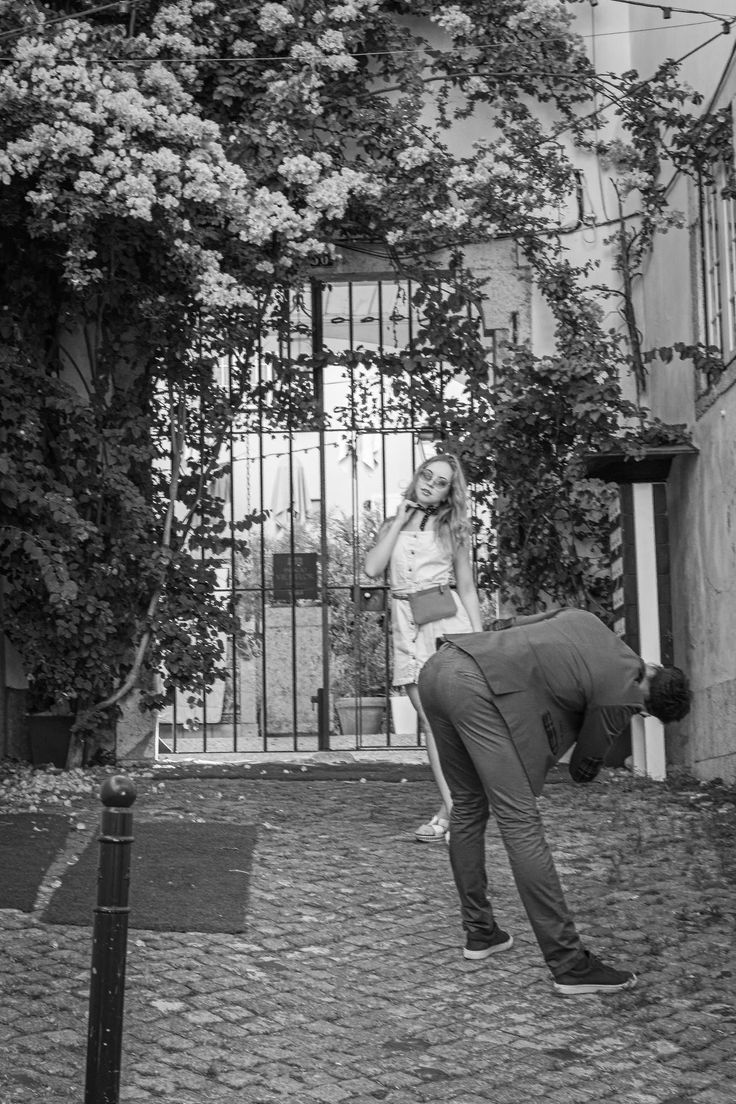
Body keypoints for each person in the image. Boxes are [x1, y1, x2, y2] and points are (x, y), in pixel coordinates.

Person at [417, 607, 691, 995]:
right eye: (642, 712)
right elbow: (583, 768)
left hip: (440, 666)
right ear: (647, 708)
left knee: (467, 805)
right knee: (520, 822)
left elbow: (515, 625)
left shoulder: (588, 619)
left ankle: (481, 933)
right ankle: (569, 964)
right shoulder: (621, 697)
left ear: (656, 665)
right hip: (475, 689)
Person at [364, 453, 483, 842]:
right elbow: (371, 569)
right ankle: (455, 808)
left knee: (456, 723)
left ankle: (454, 813)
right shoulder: (391, 523)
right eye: (426, 475)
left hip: (445, 624)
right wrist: (399, 519)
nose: (430, 483)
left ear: (451, 491)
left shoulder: (455, 527)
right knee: (430, 724)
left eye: (441, 481)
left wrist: (481, 642)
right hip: (405, 625)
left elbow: (466, 586)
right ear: (417, 476)